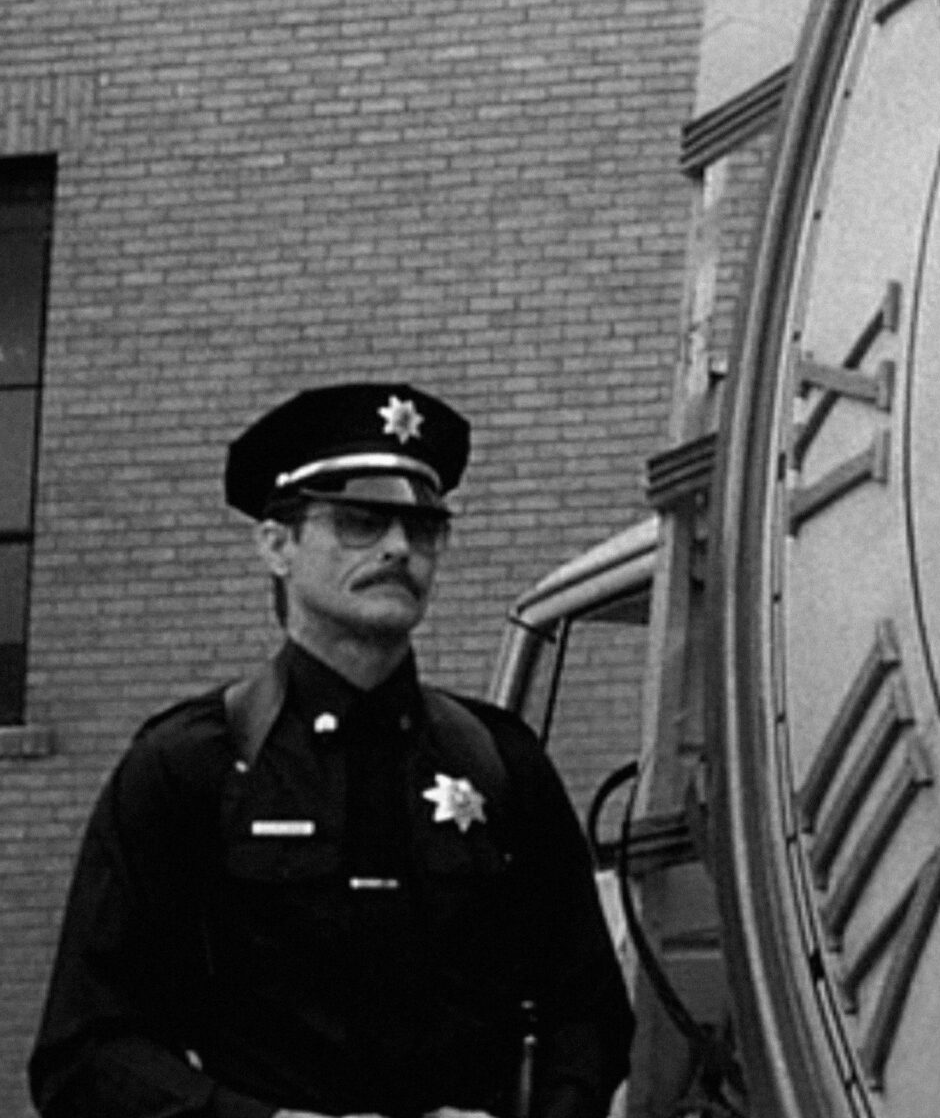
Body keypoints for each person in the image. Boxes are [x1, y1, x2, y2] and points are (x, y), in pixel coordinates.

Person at [30, 382, 634, 1118]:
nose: (398, 549)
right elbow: (85, 1053)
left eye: (423, 528)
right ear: (276, 545)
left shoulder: (498, 762)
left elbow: (590, 1016)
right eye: (360, 522)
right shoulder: (192, 767)